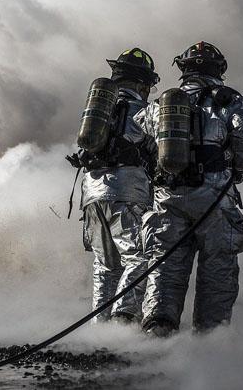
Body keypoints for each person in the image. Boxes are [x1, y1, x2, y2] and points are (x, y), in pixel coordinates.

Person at [134, 41, 243, 336]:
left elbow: (139, 130)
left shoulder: (162, 105)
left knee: (165, 266)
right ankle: (209, 340)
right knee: (218, 267)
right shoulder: (230, 100)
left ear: (184, 69)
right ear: (219, 69)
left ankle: (158, 331)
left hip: (168, 197)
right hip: (215, 198)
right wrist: (239, 172)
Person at [67, 48, 159, 325]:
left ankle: (100, 328)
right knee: (139, 259)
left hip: (92, 194)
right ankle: (122, 319)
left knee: (104, 265)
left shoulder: (96, 115)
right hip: (128, 193)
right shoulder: (144, 111)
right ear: (143, 84)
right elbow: (160, 154)